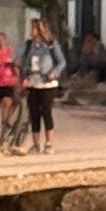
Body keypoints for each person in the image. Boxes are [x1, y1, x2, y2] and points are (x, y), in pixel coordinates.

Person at [19, 17, 66, 154]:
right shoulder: (29, 45)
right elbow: (23, 61)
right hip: (33, 84)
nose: (31, 31)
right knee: (34, 114)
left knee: (46, 112)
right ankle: (36, 144)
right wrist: (24, 72)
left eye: (33, 28)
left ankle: (49, 143)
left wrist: (54, 72)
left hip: (47, 85)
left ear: (40, 29)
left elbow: (61, 62)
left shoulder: (51, 45)